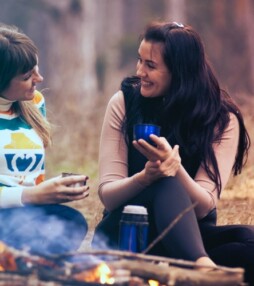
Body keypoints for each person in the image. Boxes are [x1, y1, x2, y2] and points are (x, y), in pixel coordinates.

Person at [92, 21, 254, 284]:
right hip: (128, 233)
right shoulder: (124, 102)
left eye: (151, 65)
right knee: (163, 182)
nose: (140, 71)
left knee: (249, 244)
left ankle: (188, 268)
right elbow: (109, 197)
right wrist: (145, 178)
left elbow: (203, 207)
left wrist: (176, 168)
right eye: (139, 60)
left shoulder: (221, 118)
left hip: (191, 236)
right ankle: (202, 269)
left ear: (180, 72)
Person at [0, 23, 89, 255]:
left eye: (36, 69)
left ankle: (20, 258)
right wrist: (31, 195)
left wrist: (51, 191)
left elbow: (32, 176)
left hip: (28, 212)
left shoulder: (34, 102)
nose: (39, 78)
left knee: (73, 223)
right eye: (28, 76)